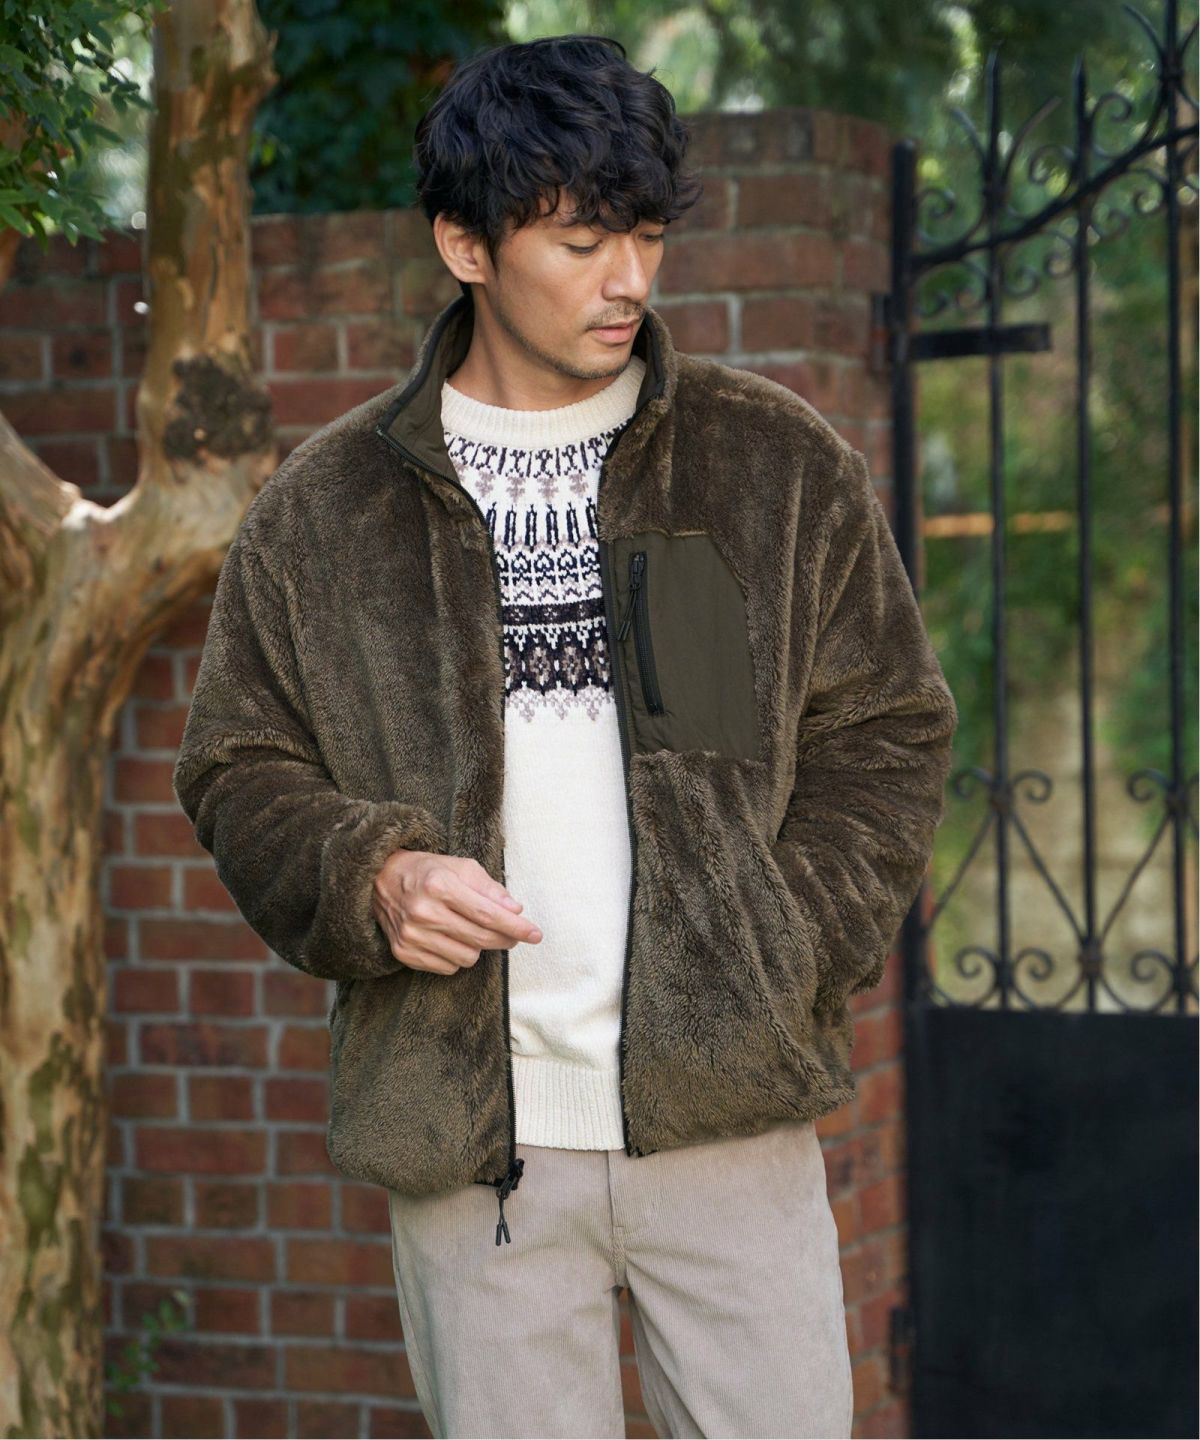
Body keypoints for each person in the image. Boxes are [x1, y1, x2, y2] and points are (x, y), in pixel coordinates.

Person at [173, 32, 958, 1440]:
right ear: (465, 247)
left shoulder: (769, 464)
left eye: (647, 235)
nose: (630, 279)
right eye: (585, 241)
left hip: (729, 1114)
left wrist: (780, 943)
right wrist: (370, 876)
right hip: (470, 1141)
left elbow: (887, 736)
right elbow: (238, 767)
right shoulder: (328, 507)